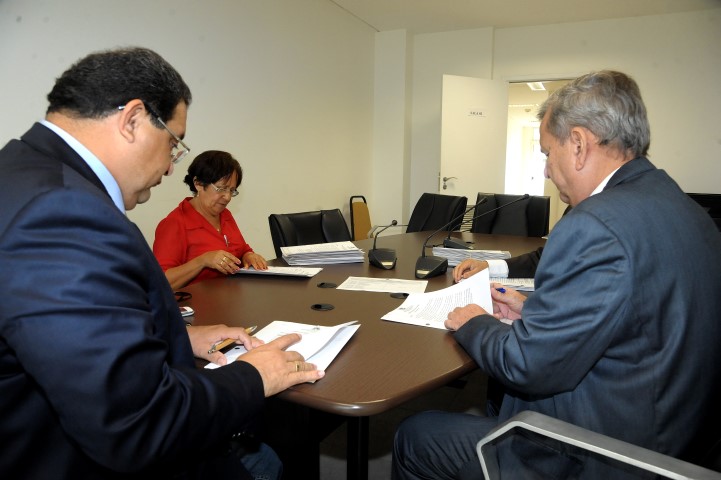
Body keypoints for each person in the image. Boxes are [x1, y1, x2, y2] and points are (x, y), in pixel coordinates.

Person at [0, 47, 323, 480]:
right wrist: (252, 376)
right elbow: (136, 423)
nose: (172, 168)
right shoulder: (63, 213)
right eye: (174, 142)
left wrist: (181, 335)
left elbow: (64, 338)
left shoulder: (20, 173)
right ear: (132, 120)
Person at [392, 70, 721, 479]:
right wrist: (535, 313)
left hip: (606, 456)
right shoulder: (685, 209)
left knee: (416, 434)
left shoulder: (594, 225)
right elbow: (638, 318)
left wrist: (473, 322)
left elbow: (526, 365)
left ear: (579, 145)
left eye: (548, 152)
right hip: (677, 437)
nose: (546, 171)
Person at [154, 150, 267, 290]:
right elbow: (161, 282)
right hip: (198, 307)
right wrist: (203, 261)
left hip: (231, 301)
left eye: (232, 190)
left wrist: (249, 256)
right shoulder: (174, 224)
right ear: (198, 184)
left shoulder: (225, 215)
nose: (227, 197)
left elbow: (241, 250)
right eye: (221, 189)